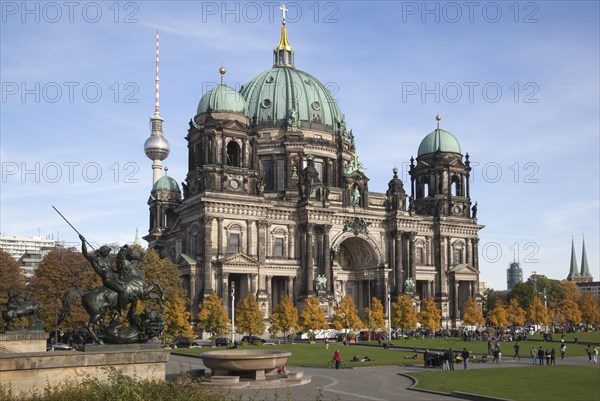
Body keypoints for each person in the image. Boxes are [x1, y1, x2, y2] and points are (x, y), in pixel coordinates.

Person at [80, 235, 129, 317]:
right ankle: (120, 308)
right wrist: (83, 241)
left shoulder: (105, 260)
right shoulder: (95, 260)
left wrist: (118, 271)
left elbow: (111, 270)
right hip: (108, 280)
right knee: (122, 291)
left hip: (114, 278)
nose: (108, 254)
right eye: (107, 253)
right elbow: (85, 253)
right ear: (103, 252)